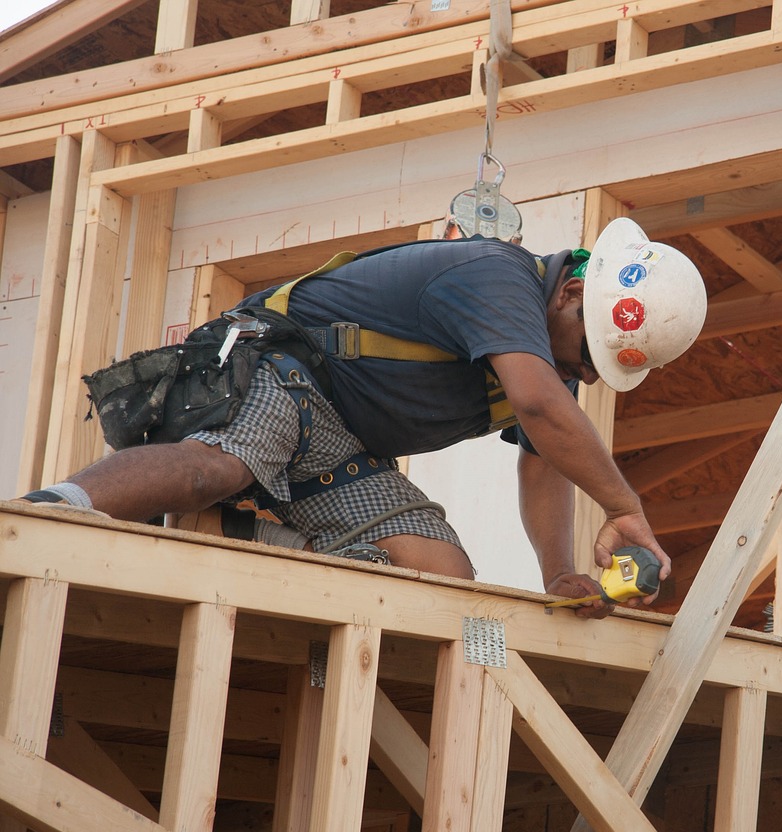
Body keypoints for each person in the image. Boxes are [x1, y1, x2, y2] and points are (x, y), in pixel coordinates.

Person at [17, 217, 707, 619]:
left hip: (336, 437)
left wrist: (557, 572)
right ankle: (45, 514)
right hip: (278, 367)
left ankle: (232, 529)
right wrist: (624, 504)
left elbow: (544, 453)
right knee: (217, 465)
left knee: (440, 570)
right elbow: (537, 404)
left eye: (596, 373)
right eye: (589, 356)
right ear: (573, 293)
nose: (584, 376)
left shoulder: (550, 361)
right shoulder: (499, 278)